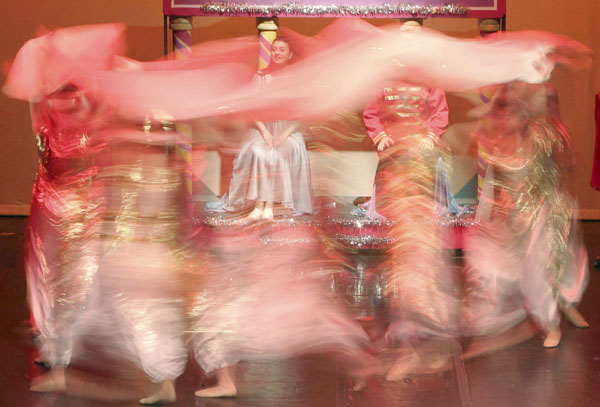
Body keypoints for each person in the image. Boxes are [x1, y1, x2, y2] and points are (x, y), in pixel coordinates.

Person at [209, 37, 313, 220]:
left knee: (277, 155)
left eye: (282, 50)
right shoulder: (261, 77)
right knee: (259, 152)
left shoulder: (297, 79)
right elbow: (251, 109)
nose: (277, 53)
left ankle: (269, 205)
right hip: (262, 128)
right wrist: (264, 131)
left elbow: (302, 115)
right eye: (274, 49)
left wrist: (283, 135)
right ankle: (259, 206)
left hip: (288, 131)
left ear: (289, 54)